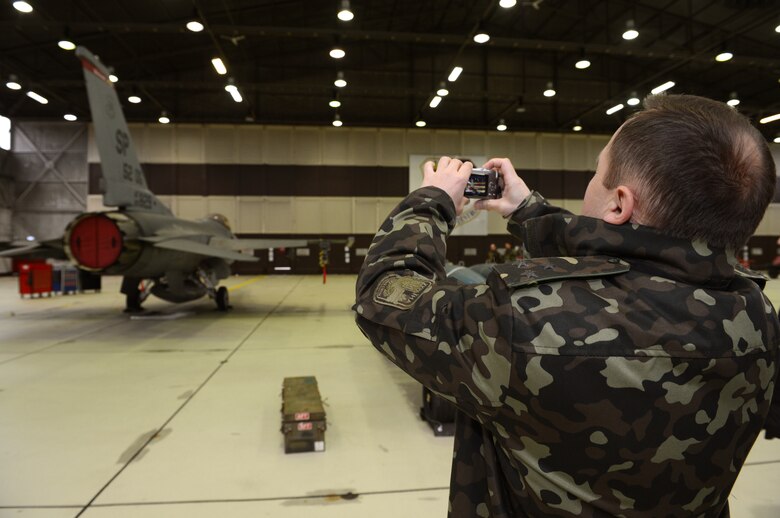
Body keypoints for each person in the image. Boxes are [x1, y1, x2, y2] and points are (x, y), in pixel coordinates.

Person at [354, 94, 779, 517]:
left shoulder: (523, 321)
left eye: (598, 173)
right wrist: (528, 211)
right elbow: (638, 255)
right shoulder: (759, 320)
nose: (591, 183)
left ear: (618, 203)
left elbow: (382, 293)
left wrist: (431, 202)